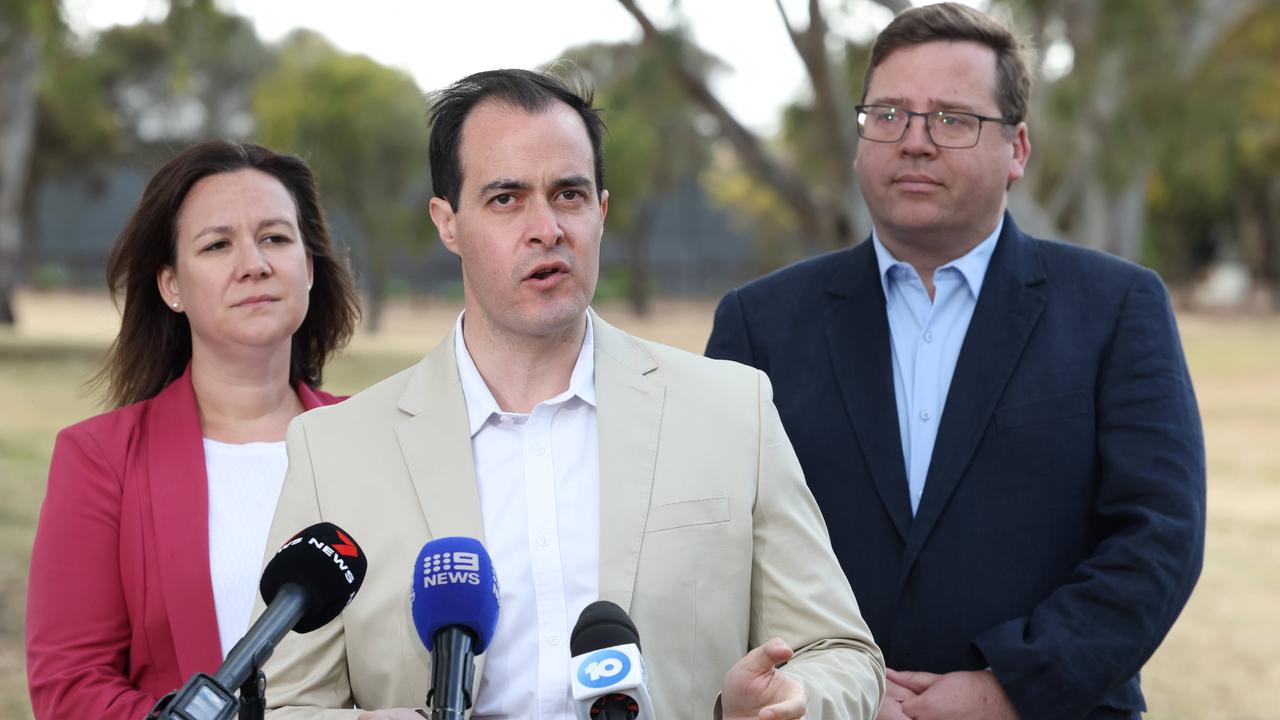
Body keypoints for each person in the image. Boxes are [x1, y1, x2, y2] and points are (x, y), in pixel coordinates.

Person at [258, 69, 884, 720]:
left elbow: (839, 649)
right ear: (448, 223)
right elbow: (284, 704)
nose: (547, 228)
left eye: (569, 194)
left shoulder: (733, 409)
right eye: (506, 199)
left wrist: (797, 702)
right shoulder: (336, 451)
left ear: (601, 211)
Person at [705, 4, 1205, 719]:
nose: (914, 142)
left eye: (951, 119)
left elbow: (1159, 536)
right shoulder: (760, 325)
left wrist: (1008, 687)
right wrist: (830, 692)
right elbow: (721, 544)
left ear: (1019, 149)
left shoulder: (1117, 308)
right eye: (888, 115)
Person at [25, 140, 361, 720]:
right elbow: (69, 686)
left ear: (308, 267)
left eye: (276, 238)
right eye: (217, 244)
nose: (254, 263)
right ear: (171, 285)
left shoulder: (374, 439)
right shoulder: (101, 457)